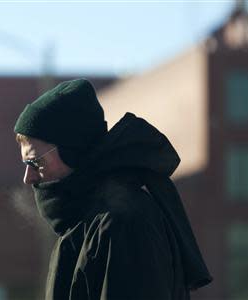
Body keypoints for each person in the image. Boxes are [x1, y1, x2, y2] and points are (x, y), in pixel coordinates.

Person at [14, 78, 212, 299]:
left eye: (35, 162)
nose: (28, 178)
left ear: (74, 151)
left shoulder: (123, 223)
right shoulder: (84, 223)